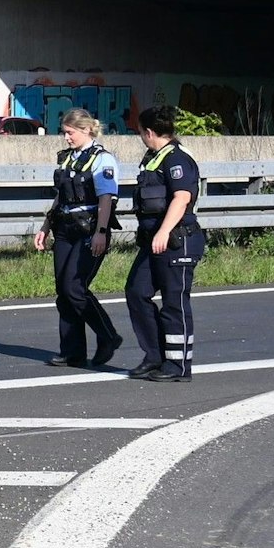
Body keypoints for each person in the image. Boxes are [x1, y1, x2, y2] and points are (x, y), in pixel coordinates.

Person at [33, 108, 124, 367]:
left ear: (86, 130)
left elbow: (107, 198)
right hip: (65, 228)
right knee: (63, 290)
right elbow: (61, 196)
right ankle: (72, 351)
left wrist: (102, 233)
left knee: (75, 288)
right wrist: (45, 227)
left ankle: (108, 335)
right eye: (64, 133)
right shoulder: (68, 159)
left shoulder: (102, 159)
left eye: (70, 133)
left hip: (90, 228)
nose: (66, 138)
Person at [124, 105, 201, 381]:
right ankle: (154, 355)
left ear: (148, 132)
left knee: (174, 302)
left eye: (140, 133)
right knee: (136, 292)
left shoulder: (176, 159)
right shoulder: (153, 158)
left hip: (177, 240)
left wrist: (164, 231)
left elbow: (182, 198)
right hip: (154, 241)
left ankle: (178, 366)